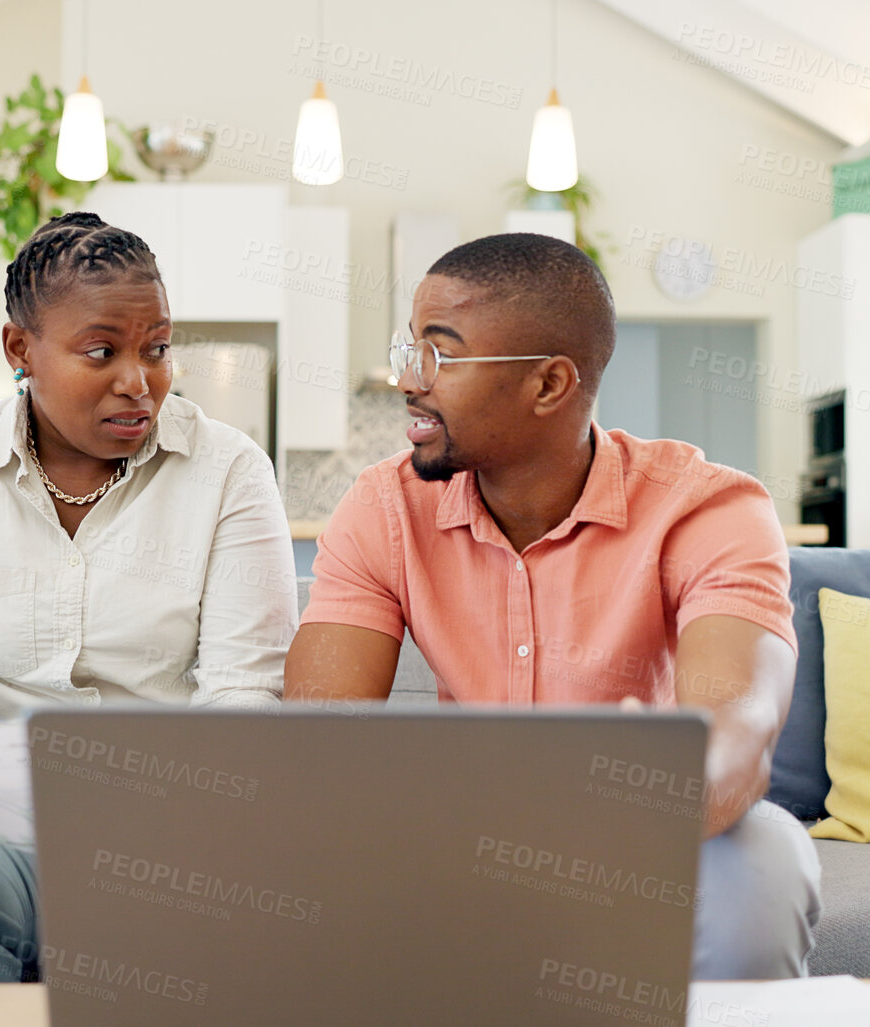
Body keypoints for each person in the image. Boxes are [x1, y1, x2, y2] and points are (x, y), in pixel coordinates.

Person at [284, 232, 820, 980]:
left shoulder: (708, 507)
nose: (408, 379)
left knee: (766, 859)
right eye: (409, 349)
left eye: (437, 354)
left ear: (547, 385)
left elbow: (741, 732)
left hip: (649, 821)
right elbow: (317, 744)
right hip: (457, 821)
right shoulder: (382, 508)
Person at [0, 211, 297, 983]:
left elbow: (243, 690)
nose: (138, 380)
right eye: (101, 351)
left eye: (157, 349)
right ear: (21, 350)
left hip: (175, 829)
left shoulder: (230, 471)